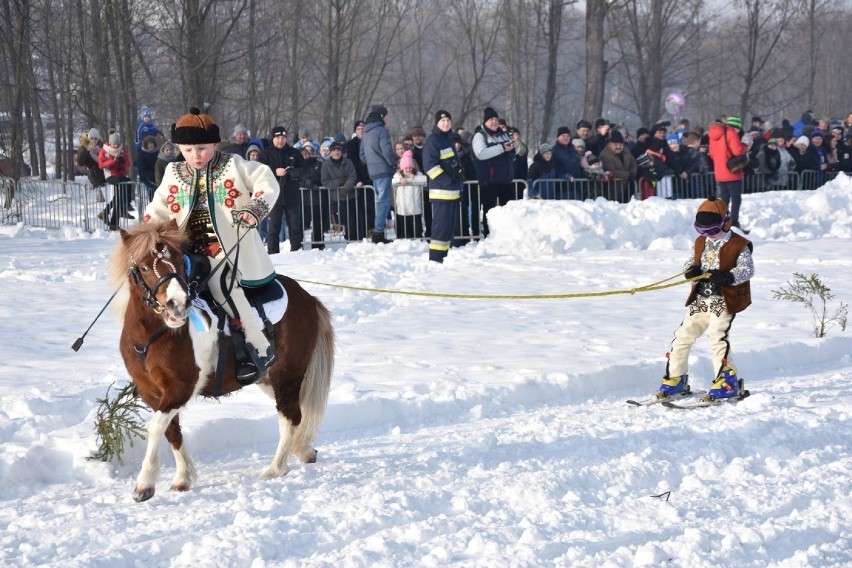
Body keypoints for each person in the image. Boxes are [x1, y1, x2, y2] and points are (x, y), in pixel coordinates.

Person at [144, 107, 279, 384]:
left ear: (215, 145)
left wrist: (254, 209)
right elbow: (158, 207)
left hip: (223, 250)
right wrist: (144, 235)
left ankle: (258, 347)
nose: (196, 156)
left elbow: (267, 180)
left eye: (203, 148)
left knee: (222, 285)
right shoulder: (173, 172)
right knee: (154, 285)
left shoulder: (234, 165)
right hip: (183, 250)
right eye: (188, 149)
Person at [657, 197, 754, 402]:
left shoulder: (738, 245)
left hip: (723, 300)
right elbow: (691, 261)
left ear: (726, 223)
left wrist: (728, 276)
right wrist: (690, 271)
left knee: (717, 338)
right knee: (682, 336)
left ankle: (727, 381)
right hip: (701, 299)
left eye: (712, 231)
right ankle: (676, 378)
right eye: (702, 231)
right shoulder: (701, 242)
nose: (708, 235)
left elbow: (747, 269)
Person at [424, 110, 463, 262]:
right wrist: (448, 180)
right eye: (442, 121)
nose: (446, 123)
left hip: (452, 191)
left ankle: (443, 257)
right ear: (436, 123)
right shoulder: (433, 140)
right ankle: (435, 258)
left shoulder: (449, 139)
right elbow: (430, 167)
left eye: (448, 120)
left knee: (447, 229)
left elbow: (451, 163)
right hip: (441, 192)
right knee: (440, 228)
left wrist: (459, 175)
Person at [471, 107, 515, 238]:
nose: (494, 122)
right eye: (491, 119)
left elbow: (513, 154)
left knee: (508, 211)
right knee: (489, 212)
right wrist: (501, 148)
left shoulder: (503, 134)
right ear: (485, 122)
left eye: (496, 119)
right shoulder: (480, 135)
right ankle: (488, 236)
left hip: (506, 180)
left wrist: (515, 148)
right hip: (489, 181)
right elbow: (481, 154)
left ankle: (508, 235)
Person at [260, 126, 305, 253]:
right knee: (273, 229)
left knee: (294, 227)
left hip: (292, 196)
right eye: (277, 138)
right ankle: (273, 255)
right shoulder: (265, 154)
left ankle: (296, 252)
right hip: (273, 197)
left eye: (283, 138)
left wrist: (293, 172)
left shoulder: (294, 153)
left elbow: (303, 170)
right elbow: (259, 171)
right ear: (273, 139)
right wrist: (274, 172)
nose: (280, 140)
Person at [360, 105, 396, 244]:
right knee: (383, 203)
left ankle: (378, 231)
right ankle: (378, 233)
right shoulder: (382, 131)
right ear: (381, 116)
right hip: (384, 171)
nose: (387, 118)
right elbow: (387, 150)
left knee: (380, 202)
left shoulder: (366, 132)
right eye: (386, 115)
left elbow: (362, 155)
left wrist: (371, 162)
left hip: (373, 172)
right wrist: (392, 163)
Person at [708, 116, 749, 232]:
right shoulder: (731, 133)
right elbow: (737, 151)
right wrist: (745, 146)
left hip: (720, 172)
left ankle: (723, 223)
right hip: (732, 172)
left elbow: (712, 154)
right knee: (736, 199)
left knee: (724, 199)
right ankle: (734, 223)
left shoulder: (713, 135)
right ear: (735, 126)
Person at [321, 141, 359, 241]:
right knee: (341, 220)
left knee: (352, 219)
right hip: (336, 197)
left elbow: (352, 176)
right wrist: (339, 182)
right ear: (330, 152)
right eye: (334, 150)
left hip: (350, 195)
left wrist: (346, 188)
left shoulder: (348, 162)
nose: (336, 152)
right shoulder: (326, 165)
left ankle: (352, 239)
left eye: (338, 150)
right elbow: (325, 181)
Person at [97, 131, 133, 230]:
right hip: (111, 175)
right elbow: (101, 164)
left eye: (117, 144)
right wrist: (112, 162)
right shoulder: (104, 151)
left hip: (120, 175)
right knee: (124, 185)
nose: (116, 146)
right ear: (110, 143)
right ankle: (126, 203)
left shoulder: (122, 150)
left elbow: (127, 163)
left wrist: (122, 163)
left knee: (119, 197)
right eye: (114, 144)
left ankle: (112, 220)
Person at [392, 150, 425, 239]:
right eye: (406, 168)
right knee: (405, 228)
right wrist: (400, 180)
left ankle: (418, 240)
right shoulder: (398, 175)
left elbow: (424, 180)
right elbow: (392, 182)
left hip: (415, 208)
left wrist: (414, 178)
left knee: (416, 228)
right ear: (402, 168)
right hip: (402, 208)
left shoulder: (418, 174)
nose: (408, 170)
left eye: (410, 167)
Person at [76, 129, 106, 200]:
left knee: (105, 197)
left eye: (95, 139)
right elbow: (80, 162)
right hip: (94, 174)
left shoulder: (101, 147)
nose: (94, 140)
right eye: (91, 138)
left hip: (104, 173)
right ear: (89, 138)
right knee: (100, 198)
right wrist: (85, 151)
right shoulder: (85, 148)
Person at [135, 135, 159, 201]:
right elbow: (141, 170)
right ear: (146, 145)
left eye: (152, 143)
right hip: (147, 178)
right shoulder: (141, 154)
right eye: (148, 144)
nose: (150, 145)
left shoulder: (158, 152)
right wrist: (151, 175)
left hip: (158, 176)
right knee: (153, 197)